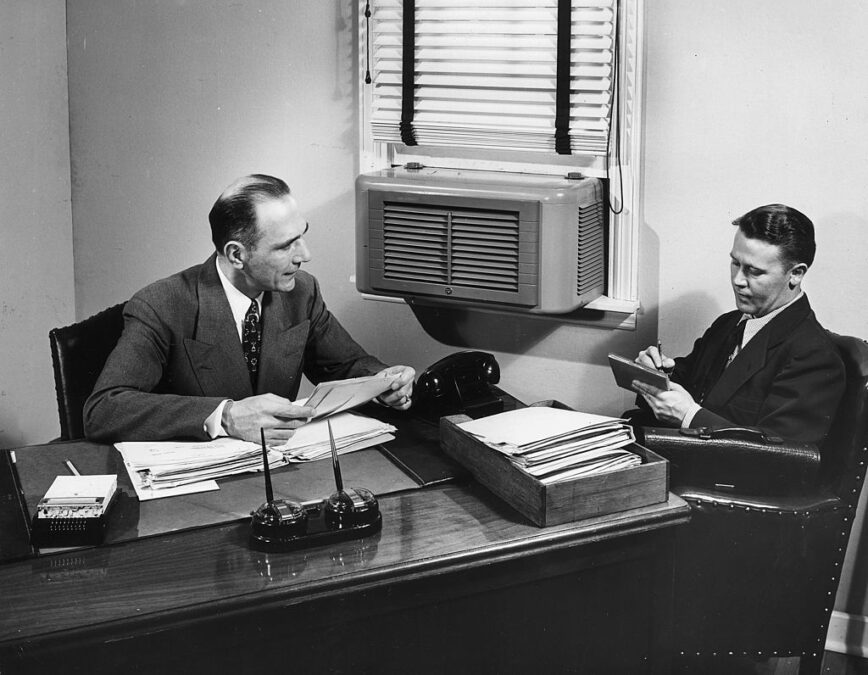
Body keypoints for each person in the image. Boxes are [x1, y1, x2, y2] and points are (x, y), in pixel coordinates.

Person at [84, 174, 415, 445]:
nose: (305, 255)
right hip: (200, 481)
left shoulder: (302, 291)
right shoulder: (162, 304)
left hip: (279, 471)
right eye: (285, 246)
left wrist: (384, 382)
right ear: (237, 255)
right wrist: (226, 416)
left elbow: (347, 365)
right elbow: (104, 409)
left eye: (301, 236)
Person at [631, 203, 844, 445]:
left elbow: (781, 457)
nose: (738, 280)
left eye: (754, 271)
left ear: (796, 273)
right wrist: (655, 375)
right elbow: (690, 383)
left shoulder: (814, 357)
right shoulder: (729, 323)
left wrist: (689, 416)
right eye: (735, 263)